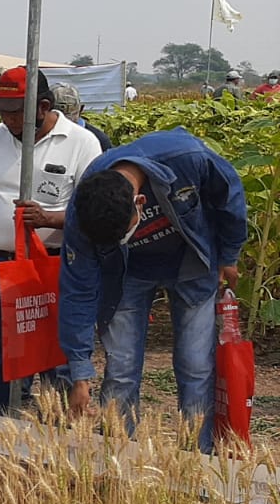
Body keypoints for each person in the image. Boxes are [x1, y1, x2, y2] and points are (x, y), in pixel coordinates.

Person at [60, 129, 247, 454]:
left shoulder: (187, 158)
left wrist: (229, 256)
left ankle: (196, 458)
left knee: (195, 365)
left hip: (192, 265)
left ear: (140, 203)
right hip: (128, 275)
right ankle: (118, 456)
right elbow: (77, 290)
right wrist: (80, 373)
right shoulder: (84, 210)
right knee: (120, 368)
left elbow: (229, 197)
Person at [0, 66, 102, 414]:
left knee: (55, 354)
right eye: (2, 111)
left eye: (15, 112)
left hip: (54, 267)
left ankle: (58, 438)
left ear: (44, 106)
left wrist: (49, 218)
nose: (7, 119)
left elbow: (96, 210)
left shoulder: (81, 143)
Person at [50, 82, 114, 150]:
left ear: (81, 109)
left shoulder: (99, 140)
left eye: (69, 117)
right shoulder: (42, 135)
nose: (64, 123)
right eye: (57, 117)